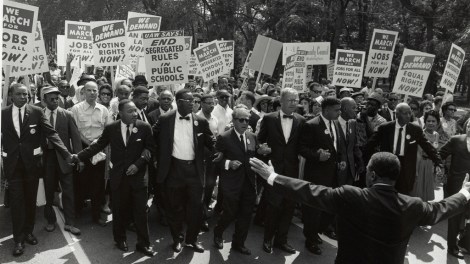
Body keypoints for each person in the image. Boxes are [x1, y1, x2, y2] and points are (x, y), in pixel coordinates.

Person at [249, 152, 470, 264]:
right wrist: (465, 193)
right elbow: (442, 208)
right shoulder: (412, 205)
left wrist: (272, 177)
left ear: (371, 174)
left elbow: (309, 191)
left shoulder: (351, 196)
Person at [72, 100, 156, 256]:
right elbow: (97, 146)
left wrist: (138, 164)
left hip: (138, 178)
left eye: (135, 111)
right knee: (119, 211)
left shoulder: (144, 127)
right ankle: (120, 239)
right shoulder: (111, 128)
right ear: (120, 113)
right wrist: (78, 157)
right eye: (130, 111)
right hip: (118, 178)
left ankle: (143, 244)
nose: (134, 114)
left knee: (140, 212)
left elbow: (150, 148)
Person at [1, 83, 72, 256]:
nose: (24, 97)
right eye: (19, 94)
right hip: (13, 167)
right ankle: (18, 239)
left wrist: (66, 153)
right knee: (17, 203)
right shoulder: (3, 114)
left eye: (26, 94)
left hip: (32, 166)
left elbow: (51, 133)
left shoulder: (36, 112)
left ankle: (28, 232)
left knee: (30, 200)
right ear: (11, 96)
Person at [153, 89, 221, 253]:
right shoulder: (165, 119)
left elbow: (211, 142)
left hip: (195, 172)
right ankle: (177, 239)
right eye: (189, 100)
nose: (193, 103)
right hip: (174, 170)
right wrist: (156, 158)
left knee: (196, 208)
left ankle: (192, 240)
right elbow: (152, 138)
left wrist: (219, 151)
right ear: (179, 102)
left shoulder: (200, 121)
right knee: (175, 208)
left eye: (194, 101)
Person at [257, 88, 306, 254]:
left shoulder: (301, 120)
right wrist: (261, 149)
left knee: (288, 207)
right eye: (290, 100)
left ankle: (281, 241)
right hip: (273, 170)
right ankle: (267, 239)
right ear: (282, 101)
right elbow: (259, 141)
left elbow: (302, 146)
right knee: (273, 206)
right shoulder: (269, 119)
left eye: (296, 100)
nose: (294, 103)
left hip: (291, 171)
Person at [367, 103, 442, 195]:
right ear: (397, 114)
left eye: (410, 113)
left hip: (406, 168)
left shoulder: (415, 129)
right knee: (385, 194)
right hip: (388, 165)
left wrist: (438, 162)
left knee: (403, 196)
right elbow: (370, 145)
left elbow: (427, 147)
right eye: (405, 113)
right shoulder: (385, 128)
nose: (408, 116)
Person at [213, 106, 258, 255]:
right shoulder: (224, 137)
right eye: (241, 120)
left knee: (245, 215)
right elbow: (216, 160)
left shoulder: (252, 136)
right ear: (234, 120)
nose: (245, 123)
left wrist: (263, 152)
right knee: (230, 213)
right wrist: (228, 163)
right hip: (232, 183)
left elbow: (253, 157)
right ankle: (218, 232)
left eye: (247, 120)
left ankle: (239, 243)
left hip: (249, 183)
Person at [299, 97, 341, 255]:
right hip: (316, 174)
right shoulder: (312, 125)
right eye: (337, 110)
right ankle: (310, 239)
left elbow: (335, 146)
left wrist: (339, 162)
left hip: (332, 174)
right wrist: (317, 155)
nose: (339, 113)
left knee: (328, 208)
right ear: (327, 109)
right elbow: (302, 148)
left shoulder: (335, 123)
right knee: (314, 209)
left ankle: (317, 232)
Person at [41, 86, 84, 236]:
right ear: (44, 100)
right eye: (51, 99)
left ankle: (70, 223)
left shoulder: (67, 114)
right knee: (48, 191)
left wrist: (79, 158)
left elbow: (75, 138)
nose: (55, 101)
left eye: (57, 98)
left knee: (68, 191)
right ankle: (50, 220)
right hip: (47, 158)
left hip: (65, 158)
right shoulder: (38, 115)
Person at [70, 81, 110, 226]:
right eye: (89, 90)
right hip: (82, 150)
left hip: (100, 151)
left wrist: (98, 144)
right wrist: (90, 145)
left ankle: (96, 215)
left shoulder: (103, 110)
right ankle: (77, 212)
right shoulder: (76, 109)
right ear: (83, 92)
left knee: (98, 185)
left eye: (95, 90)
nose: (92, 93)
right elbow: (75, 131)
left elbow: (107, 130)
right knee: (80, 183)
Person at [439, 120, 470, 258]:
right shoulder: (456, 140)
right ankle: (452, 247)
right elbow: (440, 154)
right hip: (456, 184)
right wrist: (441, 169)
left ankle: (466, 243)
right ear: (465, 126)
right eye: (469, 125)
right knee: (455, 217)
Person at [197, 94, 219, 231]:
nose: (211, 105)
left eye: (213, 103)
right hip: (199, 159)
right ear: (201, 103)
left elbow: (215, 138)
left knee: (209, 186)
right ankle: (199, 216)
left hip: (212, 158)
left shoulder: (215, 119)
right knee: (200, 188)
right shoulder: (196, 118)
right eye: (208, 103)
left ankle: (203, 212)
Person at [410, 110, 440, 201]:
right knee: (417, 190)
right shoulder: (421, 134)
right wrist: (416, 170)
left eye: (433, 121)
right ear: (425, 122)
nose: (431, 123)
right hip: (420, 164)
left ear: (437, 122)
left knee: (426, 191)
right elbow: (418, 153)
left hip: (430, 164)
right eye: (428, 121)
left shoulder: (437, 135)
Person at [336, 97, 364, 186]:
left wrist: (360, 162)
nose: (356, 110)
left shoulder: (353, 123)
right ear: (344, 109)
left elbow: (355, 145)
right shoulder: (333, 123)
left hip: (351, 169)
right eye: (353, 108)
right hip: (337, 169)